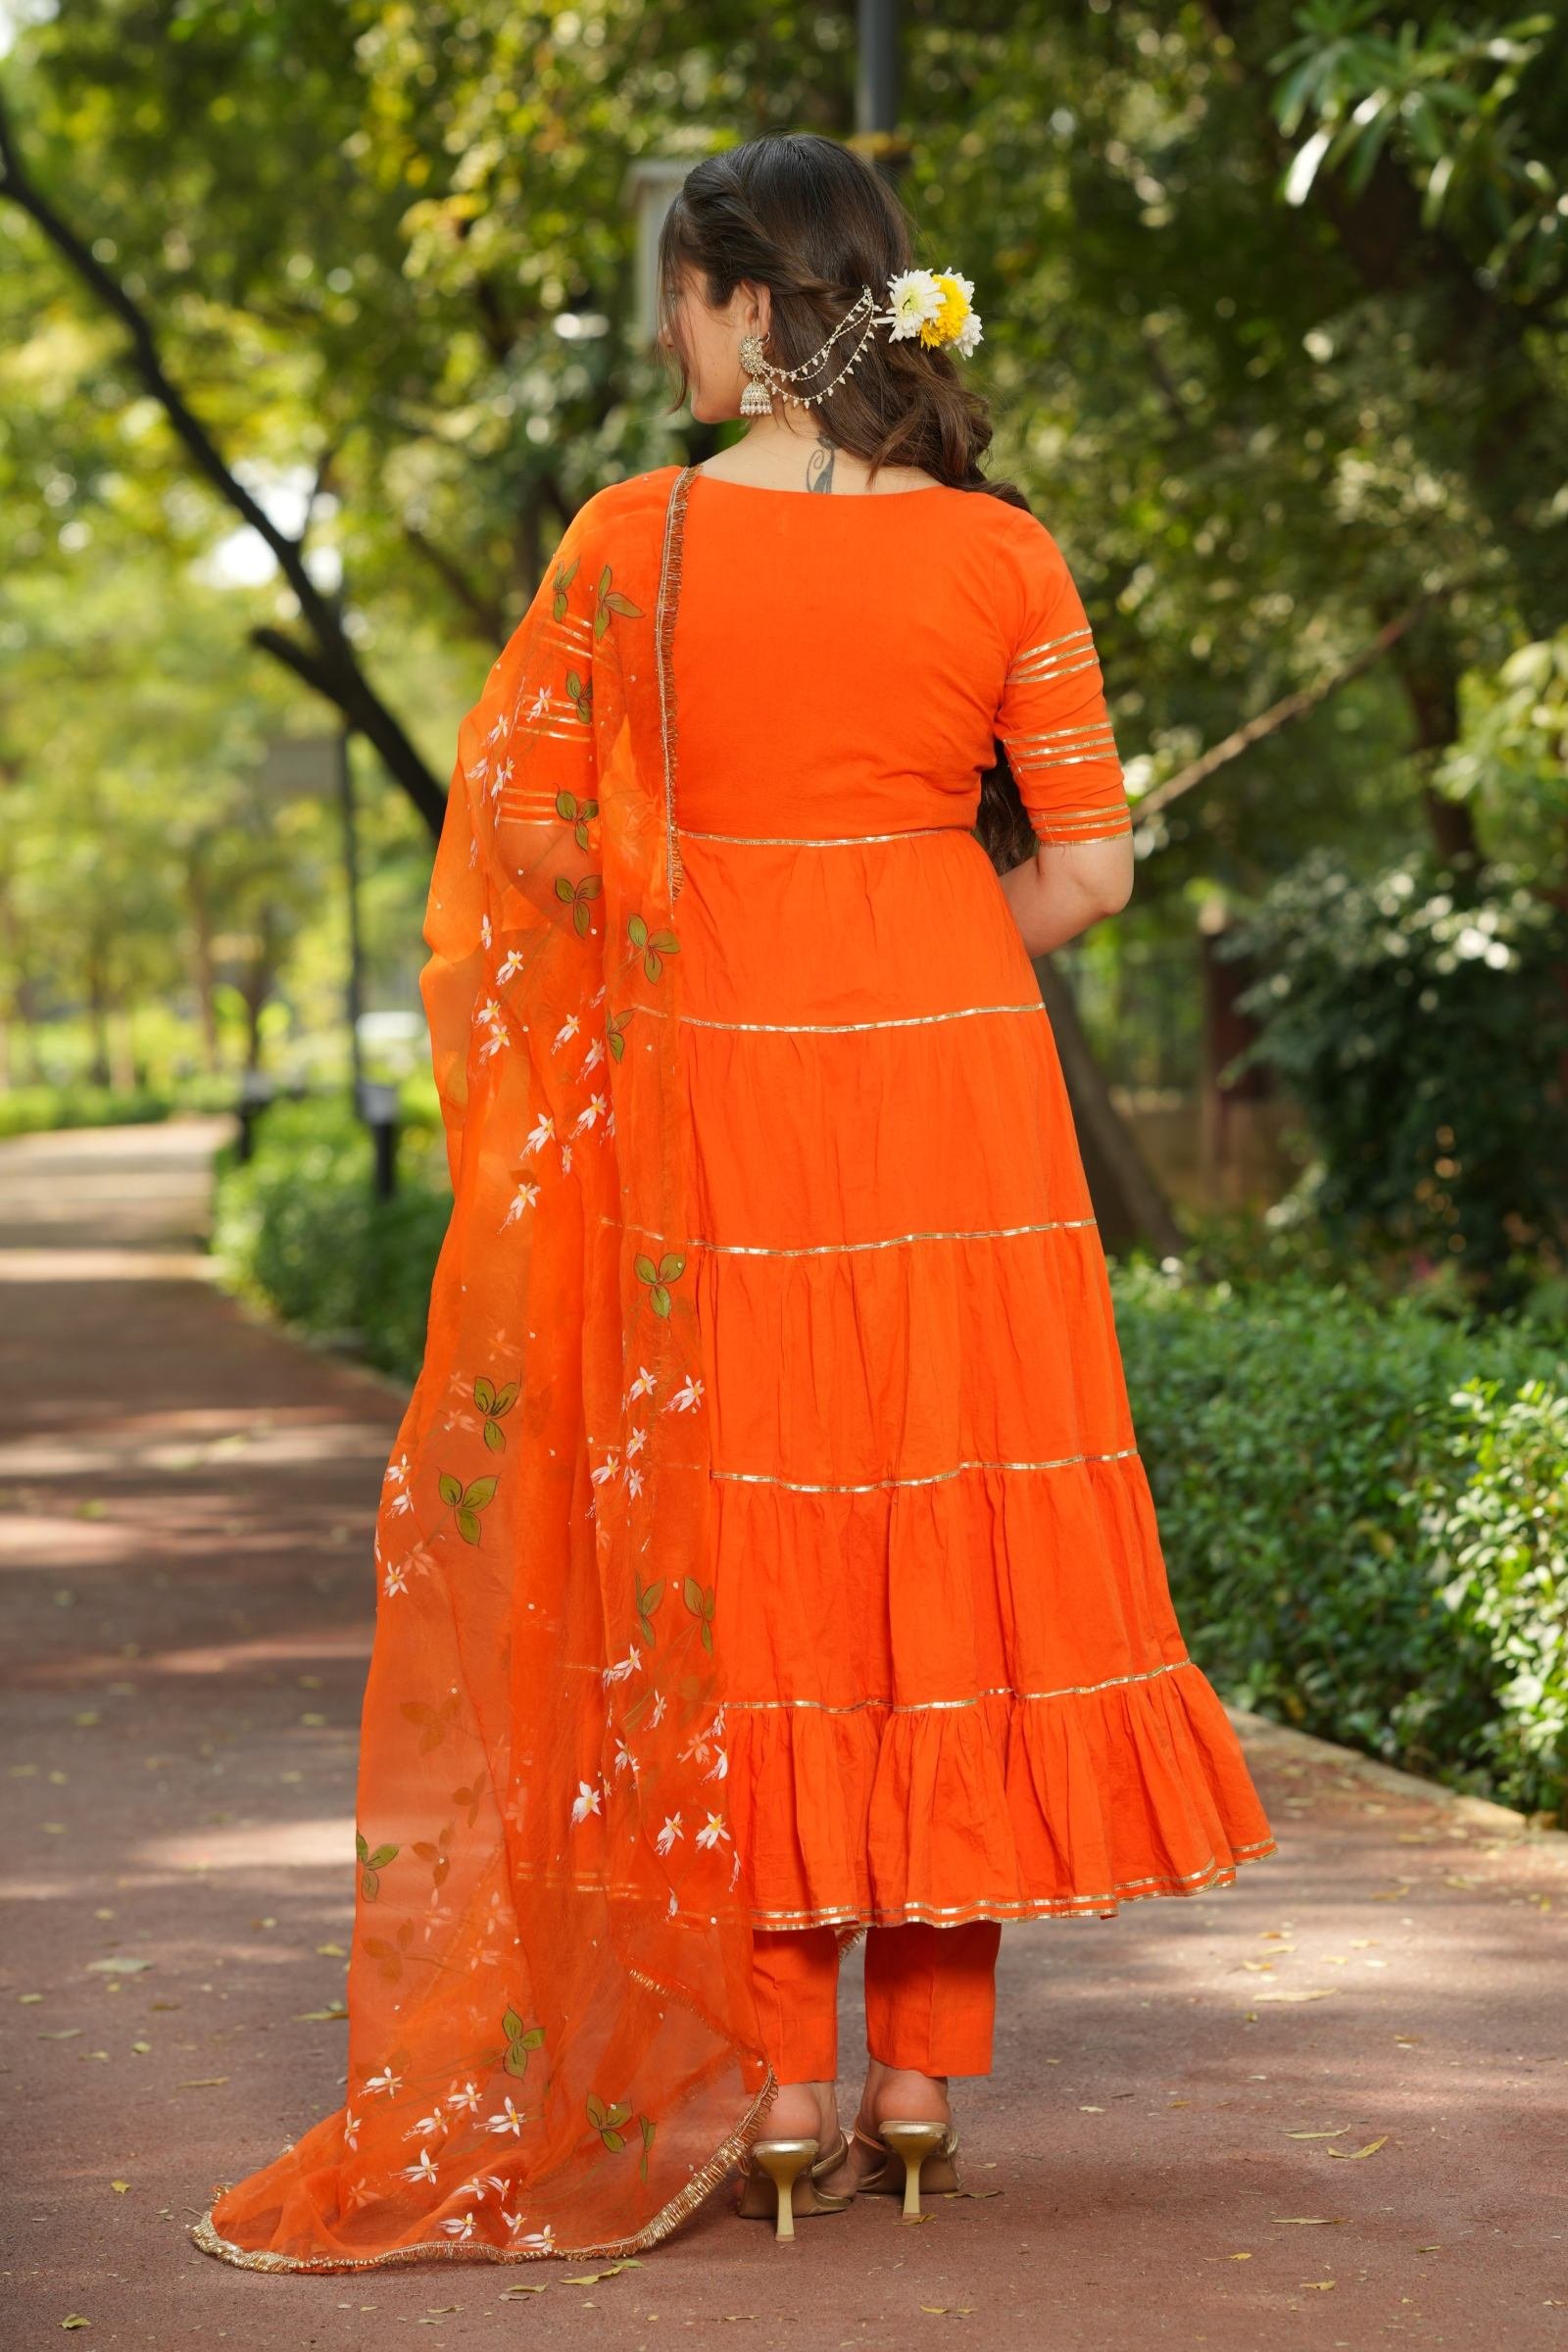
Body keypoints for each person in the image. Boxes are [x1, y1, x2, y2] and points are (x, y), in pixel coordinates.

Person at [191, 131, 1276, 2280]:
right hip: (955, 1107)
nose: (663, 334)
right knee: (934, 1546)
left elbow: (516, 846)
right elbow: (1088, 870)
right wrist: (912, 926)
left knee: (750, 1554)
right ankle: (914, 2091)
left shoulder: (628, 545)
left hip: (716, 1117)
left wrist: (690, 923)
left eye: (677, 298)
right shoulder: (1002, 555)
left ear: (755, 306)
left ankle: (772, 2094)